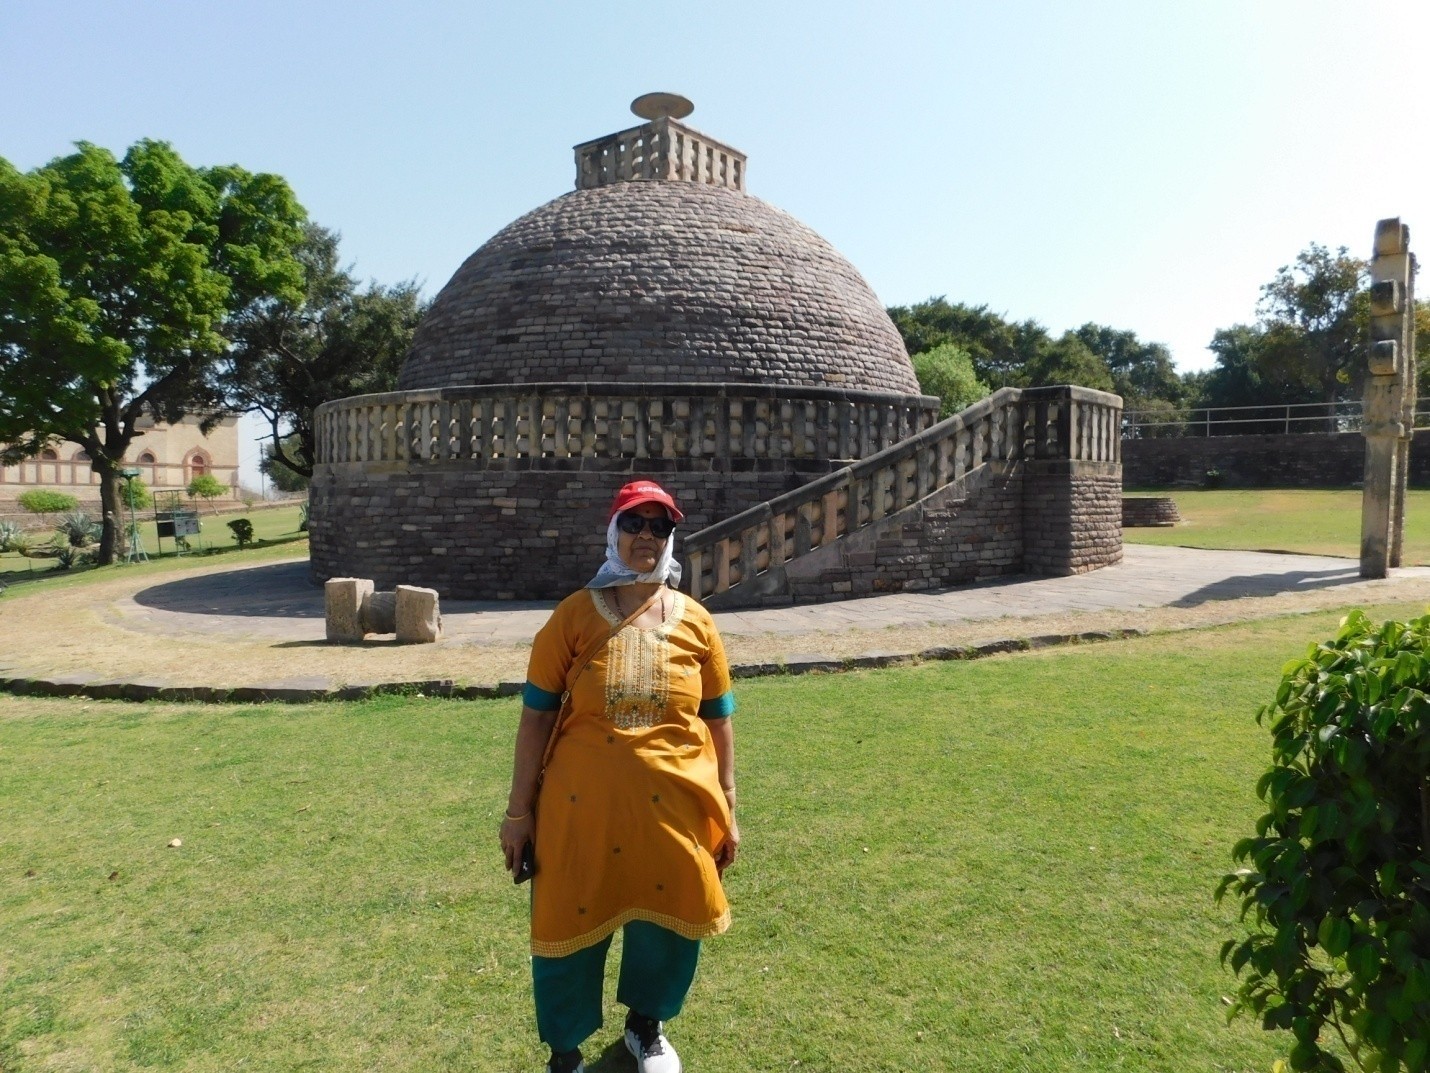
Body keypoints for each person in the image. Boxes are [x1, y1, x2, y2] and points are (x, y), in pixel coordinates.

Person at [499, 479, 740, 1073]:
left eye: (660, 526)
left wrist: (727, 803)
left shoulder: (697, 622)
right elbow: (535, 717)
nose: (647, 537)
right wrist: (518, 812)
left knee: (672, 917)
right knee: (569, 920)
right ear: (613, 532)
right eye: (635, 524)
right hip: (581, 809)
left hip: (675, 808)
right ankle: (565, 1054)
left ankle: (646, 1029)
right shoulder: (574, 617)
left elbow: (718, 717)